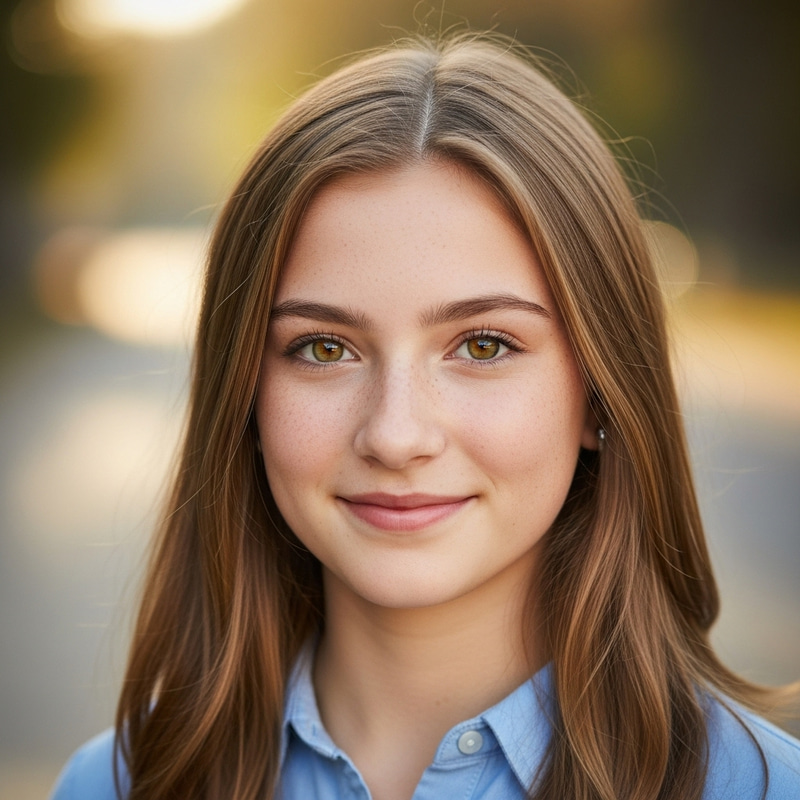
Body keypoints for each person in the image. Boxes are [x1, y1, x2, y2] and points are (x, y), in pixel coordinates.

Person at [50, 33, 800, 800]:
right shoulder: (111, 787)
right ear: (244, 397)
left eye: (483, 345)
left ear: (599, 393)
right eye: (324, 349)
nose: (395, 435)